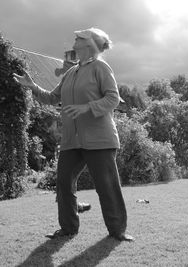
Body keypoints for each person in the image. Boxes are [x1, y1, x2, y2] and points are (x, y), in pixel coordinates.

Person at [13, 27, 133, 241]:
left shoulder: (101, 68)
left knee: (106, 186)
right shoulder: (71, 72)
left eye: (78, 38)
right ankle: (68, 228)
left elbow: (113, 99)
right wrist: (32, 86)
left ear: (89, 44)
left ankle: (117, 231)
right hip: (72, 140)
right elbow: (52, 98)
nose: (74, 41)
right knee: (63, 182)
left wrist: (87, 107)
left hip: (99, 140)